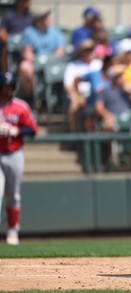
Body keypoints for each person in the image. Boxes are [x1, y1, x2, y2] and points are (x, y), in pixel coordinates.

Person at [0, 72, 38, 245]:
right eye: (4, 87)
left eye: (9, 87)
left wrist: (16, 131)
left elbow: (32, 130)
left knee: (13, 195)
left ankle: (13, 231)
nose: (6, 90)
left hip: (14, 153)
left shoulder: (20, 106)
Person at [18, 9, 64, 100]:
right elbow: (26, 52)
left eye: (47, 17)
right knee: (24, 67)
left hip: (53, 61)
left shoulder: (55, 31)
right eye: (44, 18)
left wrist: (49, 59)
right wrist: (38, 61)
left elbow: (60, 50)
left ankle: (59, 98)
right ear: (37, 21)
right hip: (36, 61)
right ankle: (33, 96)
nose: (47, 19)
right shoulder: (29, 32)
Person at [64, 39, 102, 132]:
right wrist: (78, 96)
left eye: (91, 50)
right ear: (81, 52)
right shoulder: (72, 66)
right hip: (79, 94)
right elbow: (68, 86)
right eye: (86, 51)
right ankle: (74, 134)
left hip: (96, 95)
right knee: (74, 104)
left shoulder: (99, 64)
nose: (89, 53)